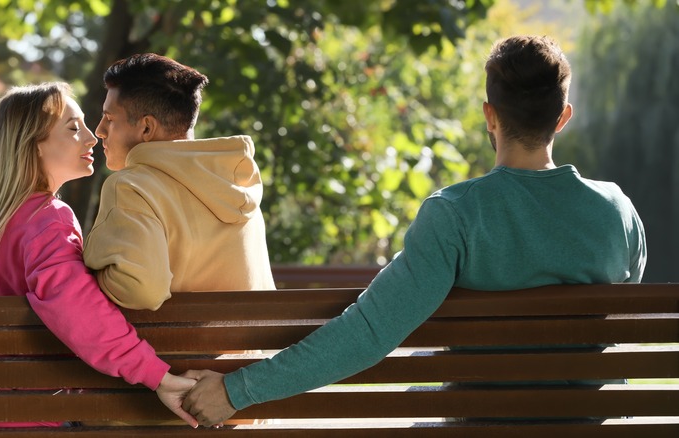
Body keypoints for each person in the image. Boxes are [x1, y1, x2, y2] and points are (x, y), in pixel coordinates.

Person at [180, 35, 648, 426]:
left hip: (479, 426)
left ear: (490, 115)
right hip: (590, 424)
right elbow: (618, 318)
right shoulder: (617, 211)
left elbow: (369, 332)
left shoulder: (457, 214)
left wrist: (236, 391)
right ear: (562, 117)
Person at [0, 82, 197, 429]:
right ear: (32, 145)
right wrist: (158, 376)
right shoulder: (48, 217)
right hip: (13, 422)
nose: (92, 138)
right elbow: (77, 308)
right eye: (74, 128)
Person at [82, 53, 275, 312]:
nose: (100, 130)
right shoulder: (236, 180)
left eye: (110, 118)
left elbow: (143, 292)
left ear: (147, 129)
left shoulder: (132, 187)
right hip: (255, 351)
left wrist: (89, 275)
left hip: (174, 352)